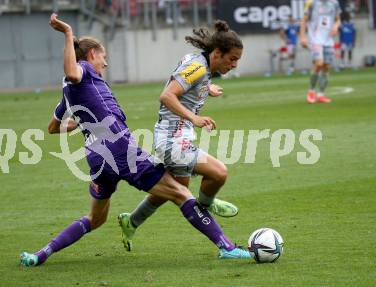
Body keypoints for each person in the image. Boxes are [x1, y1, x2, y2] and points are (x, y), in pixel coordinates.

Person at [20, 14, 251, 267]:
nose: (105, 63)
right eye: (103, 56)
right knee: (181, 193)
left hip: (97, 157)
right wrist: (67, 33)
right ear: (92, 55)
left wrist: (82, 123)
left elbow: (53, 127)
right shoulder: (83, 71)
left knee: (96, 219)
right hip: (121, 150)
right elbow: (72, 71)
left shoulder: (69, 93)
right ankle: (226, 246)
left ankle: (40, 254)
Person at [118, 20, 246, 254]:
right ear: (217, 52)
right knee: (218, 173)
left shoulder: (201, 66)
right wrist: (195, 118)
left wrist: (207, 89)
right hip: (172, 140)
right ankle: (212, 219)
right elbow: (167, 95)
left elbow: (190, 83)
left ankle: (132, 221)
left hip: (175, 136)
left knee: (173, 189)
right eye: (232, 59)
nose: (234, 64)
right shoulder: (197, 67)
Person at [300, 0, 341, 104]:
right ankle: (311, 91)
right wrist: (302, 37)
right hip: (314, 39)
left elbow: (338, 19)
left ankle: (321, 95)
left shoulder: (334, 3)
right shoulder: (311, 2)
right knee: (319, 63)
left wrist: (336, 26)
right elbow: (304, 20)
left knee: (326, 66)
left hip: (328, 40)